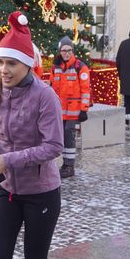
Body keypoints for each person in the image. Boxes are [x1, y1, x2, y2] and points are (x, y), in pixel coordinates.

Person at [0, 11, 64, 259]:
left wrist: (8, 159)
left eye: (11, 63)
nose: (4, 70)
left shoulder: (45, 96)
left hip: (42, 192)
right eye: (1, 62)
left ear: (27, 64)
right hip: (7, 188)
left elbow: (54, 146)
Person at [49, 36, 91, 178]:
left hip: (74, 111)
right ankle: (63, 164)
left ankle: (69, 166)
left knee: (69, 136)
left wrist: (84, 109)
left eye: (68, 50)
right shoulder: (55, 67)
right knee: (59, 137)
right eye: (63, 50)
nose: (66, 53)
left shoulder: (80, 67)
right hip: (59, 111)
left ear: (72, 51)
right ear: (59, 51)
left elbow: (86, 90)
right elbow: (51, 89)